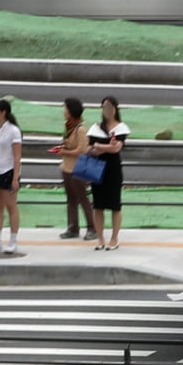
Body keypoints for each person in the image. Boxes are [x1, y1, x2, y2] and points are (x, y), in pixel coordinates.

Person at [87, 95, 130, 251]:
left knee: (115, 205)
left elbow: (116, 148)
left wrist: (99, 146)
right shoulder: (95, 128)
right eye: (104, 107)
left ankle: (114, 238)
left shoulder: (121, 128)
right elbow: (88, 148)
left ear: (115, 109)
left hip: (113, 169)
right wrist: (100, 148)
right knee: (97, 205)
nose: (107, 110)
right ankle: (100, 239)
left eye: (110, 107)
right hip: (96, 167)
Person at [0, 99, 22, 254]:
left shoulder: (13, 131)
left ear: (3, 112)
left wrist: (15, 178)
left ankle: (13, 241)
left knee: (11, 206)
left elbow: (17, 156)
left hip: (8, 170)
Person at [57, 97, 95, 241]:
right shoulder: (69, 127)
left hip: (78, 168)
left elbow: (83, 150)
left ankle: (92, 227)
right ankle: (73, 227)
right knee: (71, 199)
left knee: (82, 198)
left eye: (66, 109)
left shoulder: (80, 129)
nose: (64, 111)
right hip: (67, 167)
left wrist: (65, 152)